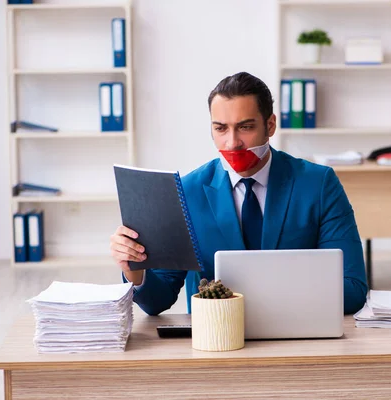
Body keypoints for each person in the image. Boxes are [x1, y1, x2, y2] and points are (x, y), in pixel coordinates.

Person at [110, 72, 368, 315]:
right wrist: (135, 269)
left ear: (270, 125)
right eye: (221, 128)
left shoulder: (318, 185)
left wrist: (268, 296)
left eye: (245, 127)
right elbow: (158, 300)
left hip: (298, 338)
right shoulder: (186, 192)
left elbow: (353, 289)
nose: (232, 143)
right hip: (217, 341)